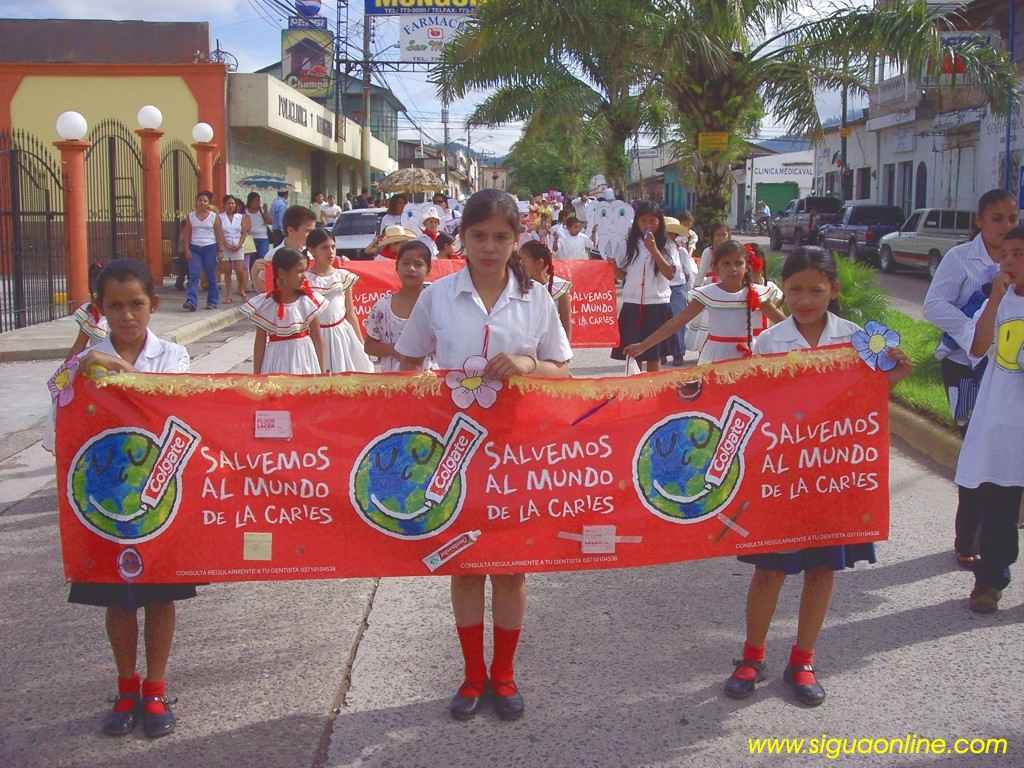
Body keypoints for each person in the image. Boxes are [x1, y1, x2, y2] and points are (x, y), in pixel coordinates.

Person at [395, 189, 572, 723]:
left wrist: (528, 363)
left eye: (500, 236)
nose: (489, 247)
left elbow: (562, 369)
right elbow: (406, 365)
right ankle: (473, 675)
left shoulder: (537, 299)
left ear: (516, 239)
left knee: (512, 572)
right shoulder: (437, 296)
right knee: (467, 568)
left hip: (516, 455)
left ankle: (505, 674)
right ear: (461, 240)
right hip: (453, 455)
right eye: (478, 236)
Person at [722, 246, 911, 707]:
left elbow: (865, 400)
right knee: (769, 570)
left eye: (816, 290)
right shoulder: (770, 342)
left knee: (822, 568)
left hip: (833, 477)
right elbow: (757, 404)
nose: (805, 299)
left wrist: (896, 373)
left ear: (834, 290)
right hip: (782, 475)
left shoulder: (857, 340)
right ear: (781, 290)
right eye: (795, 289)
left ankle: (803, 659)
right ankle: (751, 656)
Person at [57, 259, 195, 738]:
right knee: (118, 600)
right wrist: (82, 364)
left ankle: (155, 688)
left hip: (158, 498)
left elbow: (176, 406)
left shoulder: (174, 356)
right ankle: (126, 687)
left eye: (136, 304)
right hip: (108, 498)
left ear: (152, 305)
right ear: (100, 310)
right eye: (114, 306)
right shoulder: (85, 360)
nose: (127, 316)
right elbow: (57, 396)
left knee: (159, 596)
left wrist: (120, 373)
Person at [923, 189, 1019, 570]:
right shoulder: (960, 259)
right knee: (975, 444)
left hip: (1010, 371)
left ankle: (1001, 528)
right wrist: (972, 333)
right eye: (996, 218)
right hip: (965, 368)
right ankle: (969, 537)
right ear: (979, 221)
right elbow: (934, 305)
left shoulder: (1020, 257)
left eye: (1011, 218)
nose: (1005, 226)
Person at [955, 225, 1024, 613]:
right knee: (999, 505)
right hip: (1001, 421)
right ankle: (990, 580)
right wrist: (995, 301)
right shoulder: (998, 304)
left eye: (1019, 254)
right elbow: (978, 348)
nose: (1010, 261)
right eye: (1006, 253)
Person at [625, 240, 785, 364]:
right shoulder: (708, 293)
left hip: (749, 355)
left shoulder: (758, 293)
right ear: (716, 268)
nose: (733, 269)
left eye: (738, 263)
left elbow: (782, 322)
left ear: (747, 266)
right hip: (715, 356)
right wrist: (643, 346)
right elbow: (676, 322)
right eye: (726, 263)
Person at [609, 201, 676, 372]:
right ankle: (636, 393)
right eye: (643, 221)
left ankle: (654, 393)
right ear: (637, 222)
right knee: (633, 354)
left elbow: (670, 273)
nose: (648, 225)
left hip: (657, 304)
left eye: (652, 221)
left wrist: (654, 250)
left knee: (654, 356)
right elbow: (622, 275)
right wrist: (613, 268)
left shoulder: (667, 245)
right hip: (632, 303)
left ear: (659, 223)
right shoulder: (627, 244)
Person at [241, 248, 324, 375]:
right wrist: (256, 374)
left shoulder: (309, 301)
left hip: (304, 358)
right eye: (299, 272)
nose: (304, 276)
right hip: (276, 360)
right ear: (282, 273)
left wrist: (322, 373)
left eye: (305, 271)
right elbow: (260, 342)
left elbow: (317, 338)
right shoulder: (266, 304)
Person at [304, 228, 373, 373]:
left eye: (333, 247)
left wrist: (361, 342)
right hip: (315, 337)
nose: (330, 252)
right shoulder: (304, 280)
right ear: (312, 250)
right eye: (324, 248)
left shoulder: (342, 277)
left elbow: (350, 313)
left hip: (341, 335)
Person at [364, 240, 434, 372]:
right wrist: (395, 350)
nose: (411, 268)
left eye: (418, 264)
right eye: (406, 263)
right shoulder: (382, 307)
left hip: (430, 384)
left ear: (428, 269)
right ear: (397, 267)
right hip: (393, 384)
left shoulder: (436, 305)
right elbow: (369, 346)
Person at [252, 206, 319, 290]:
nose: (312, 235)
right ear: (290, 230)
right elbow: (266, 290)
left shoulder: (313, 254)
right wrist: (254, 275)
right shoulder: (273, 256)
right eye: (308, 231)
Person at [520, 240, 572, 341]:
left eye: (523, 260)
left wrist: (566, 347)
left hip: (551, 344)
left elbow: (566, 321)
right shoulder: (518, 286)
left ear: (539, 263)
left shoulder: (558, 288)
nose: (519, 263)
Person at [664, 215, 698, 366]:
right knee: (661, 323)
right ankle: (662, 352)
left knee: (678, 321)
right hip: (660, 289)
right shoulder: (655, 249)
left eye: (672, 232)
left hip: (677, 289)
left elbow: (689, 272)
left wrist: (688, 290)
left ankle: (678, 353)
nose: (670, 235)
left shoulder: (680, 250)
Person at [181, 191, 218, 312]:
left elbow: (219, 233)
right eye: (200, 200)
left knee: (210, 275)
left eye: (205, 201)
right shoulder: (190, 216)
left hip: (210, 247)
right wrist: (186, 249)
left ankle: (212, 301)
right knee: (194, 274)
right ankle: (191, 301)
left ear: (208, 203)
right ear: (196, 202)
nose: (202, 202)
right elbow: (186, 234)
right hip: (194, 248)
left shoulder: (213, 216)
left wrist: (220, 250)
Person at [216, 194, 251, 304]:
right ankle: (228, 294)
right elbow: (219, 233)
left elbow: (244, 232)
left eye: (233, 203)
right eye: (229, 203)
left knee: (240, 270)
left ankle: (241, 289)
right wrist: (225, 245)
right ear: (224, 205)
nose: (231, 205)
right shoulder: (220, 217)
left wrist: (239, 244)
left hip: (238, 246)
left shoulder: (241, 217)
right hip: (225, 246)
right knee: (227, 272)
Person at [244, 192, 272, 273]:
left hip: (263, 238)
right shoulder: (245, 211)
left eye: (259, 201)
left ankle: (261, 276)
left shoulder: (262, 211)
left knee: (262, 257)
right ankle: (253, 278)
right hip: (250, 238)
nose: (258, 203)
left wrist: (265, 211)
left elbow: (270, 221)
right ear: (250, 201)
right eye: (256, 200)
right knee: (252, 260)